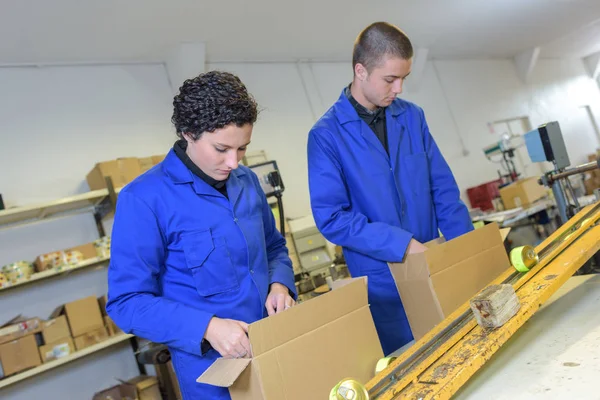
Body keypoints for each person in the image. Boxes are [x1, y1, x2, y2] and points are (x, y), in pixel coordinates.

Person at [106, 71, 296, 399]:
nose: (234, 163)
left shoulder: (247, 181)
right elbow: (127, 302)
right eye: (222, 148)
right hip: (212, 373)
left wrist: (280, 284)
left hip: (273, 347)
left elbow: (274, 246)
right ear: (189, 133)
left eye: (242, 149)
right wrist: (208, 327)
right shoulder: (144, 199)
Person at [307, 22, 473, 355]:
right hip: (383, 284)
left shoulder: (412, 117)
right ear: (360, 70)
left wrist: (466, 250)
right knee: (413, 366)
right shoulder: (326, 136)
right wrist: (400, 244)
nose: (398, 89)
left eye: (403, 79)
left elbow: (443, 189)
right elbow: (332, 218)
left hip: (436, 261)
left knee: (466, 346)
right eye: (389, 79)